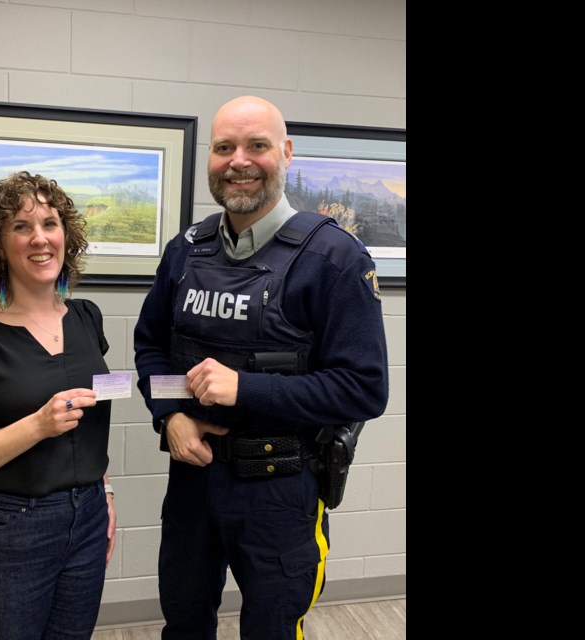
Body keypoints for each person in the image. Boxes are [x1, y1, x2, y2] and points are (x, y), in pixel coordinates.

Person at [133, 96, 389, 639]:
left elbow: (364, 388)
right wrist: (170, 416)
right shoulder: (186, 250)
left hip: (281, 487)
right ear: (210, 157)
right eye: (224, 147)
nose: (239, 161)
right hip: (193, 480)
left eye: (257, 146)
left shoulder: (336, 260)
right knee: (182, 623)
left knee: (272, 629)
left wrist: (244, 388)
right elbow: (151, 346)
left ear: (287, 153)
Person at [0, 170, 117, 640]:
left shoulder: (87, 318)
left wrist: (106, 495)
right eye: (21, 226)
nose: (40, 238)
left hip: (88, 516)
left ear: (66, 236)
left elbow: (90, 422)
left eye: (50, 224)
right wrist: (35, 425)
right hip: (10, 526)